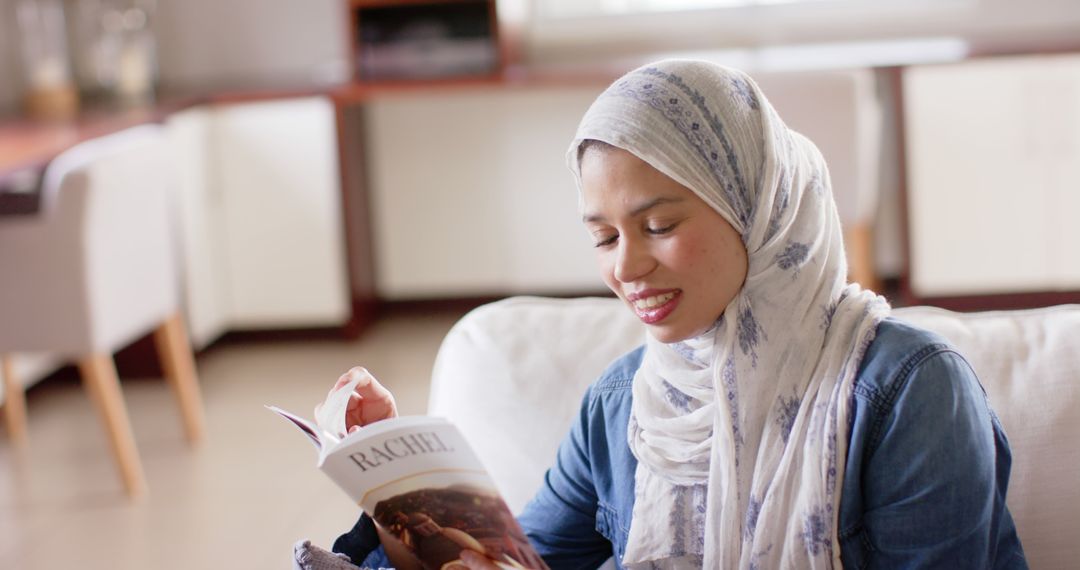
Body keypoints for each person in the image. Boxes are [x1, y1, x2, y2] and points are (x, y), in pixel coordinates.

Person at [325, 60, 1027, 569]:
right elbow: (523, 561)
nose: (625, 268)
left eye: (658, 224)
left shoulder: (910, 392)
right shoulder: (623, 403)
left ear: (755, 209)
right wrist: (406, 494)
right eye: (602, 237)